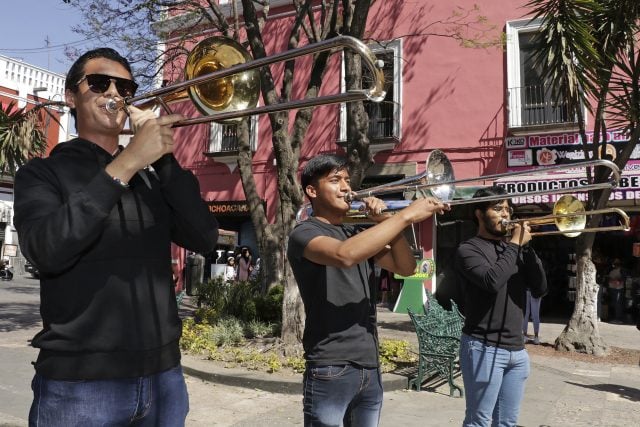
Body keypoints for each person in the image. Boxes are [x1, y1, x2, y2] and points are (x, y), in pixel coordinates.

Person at [13, 47, 219, 426]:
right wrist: (126, 163)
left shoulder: (152, 176)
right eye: (98, 83)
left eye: (124, 86)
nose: (113, 92)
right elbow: (45, 249)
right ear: (71, 96)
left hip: (163, 378)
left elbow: (205, 238)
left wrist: (163, 159)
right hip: (79, 383)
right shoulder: (42, 173)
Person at [287, 154, 448, 426]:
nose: (346, 187)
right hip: (330, 363)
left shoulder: (356, 231)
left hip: (369, 364)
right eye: (335, 180)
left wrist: (387, 221)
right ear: (311, 191)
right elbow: (343, 255)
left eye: (347, 180)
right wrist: (406, 215)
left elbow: (406, 267)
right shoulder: (303, 233)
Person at [454, 185, 547, 427]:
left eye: (508, 208)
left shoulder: (512, 249)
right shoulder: (468, 249)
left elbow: (540, 288)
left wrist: (526, 248)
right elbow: (491, 281)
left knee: (507, 422)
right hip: (483, 346)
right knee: (479, 421)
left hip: (517, 350)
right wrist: (515, 243)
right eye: (497, 209)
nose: (505, 214)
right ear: (479, 213)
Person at [607, 258, 626, 323]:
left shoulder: (621, 270)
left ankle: (619, 318)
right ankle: (615, 317)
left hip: (619, 288)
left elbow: (623, 278)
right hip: (612, 288)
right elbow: (608, 278)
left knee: (618, 303)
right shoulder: (611, 270)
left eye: (616, 263)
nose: (615, 264)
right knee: (614, 303)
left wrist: (617, 280)